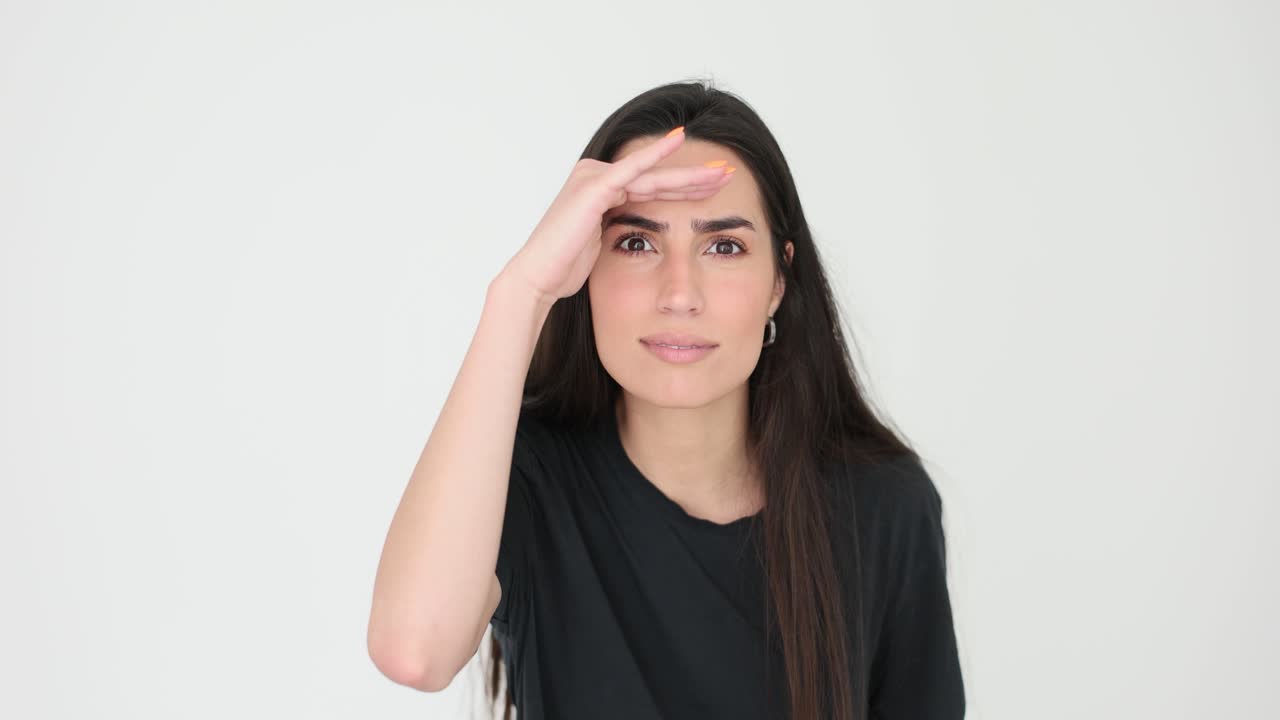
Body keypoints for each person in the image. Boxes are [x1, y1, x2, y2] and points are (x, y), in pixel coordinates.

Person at [367, 80, 965, 719]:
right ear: (585, 264)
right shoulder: (526, 486)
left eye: (724, 246)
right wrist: (522, 292)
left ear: (778, 282)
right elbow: (414, 653)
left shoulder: (883, 506)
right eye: (636, 243)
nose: (680, 294)